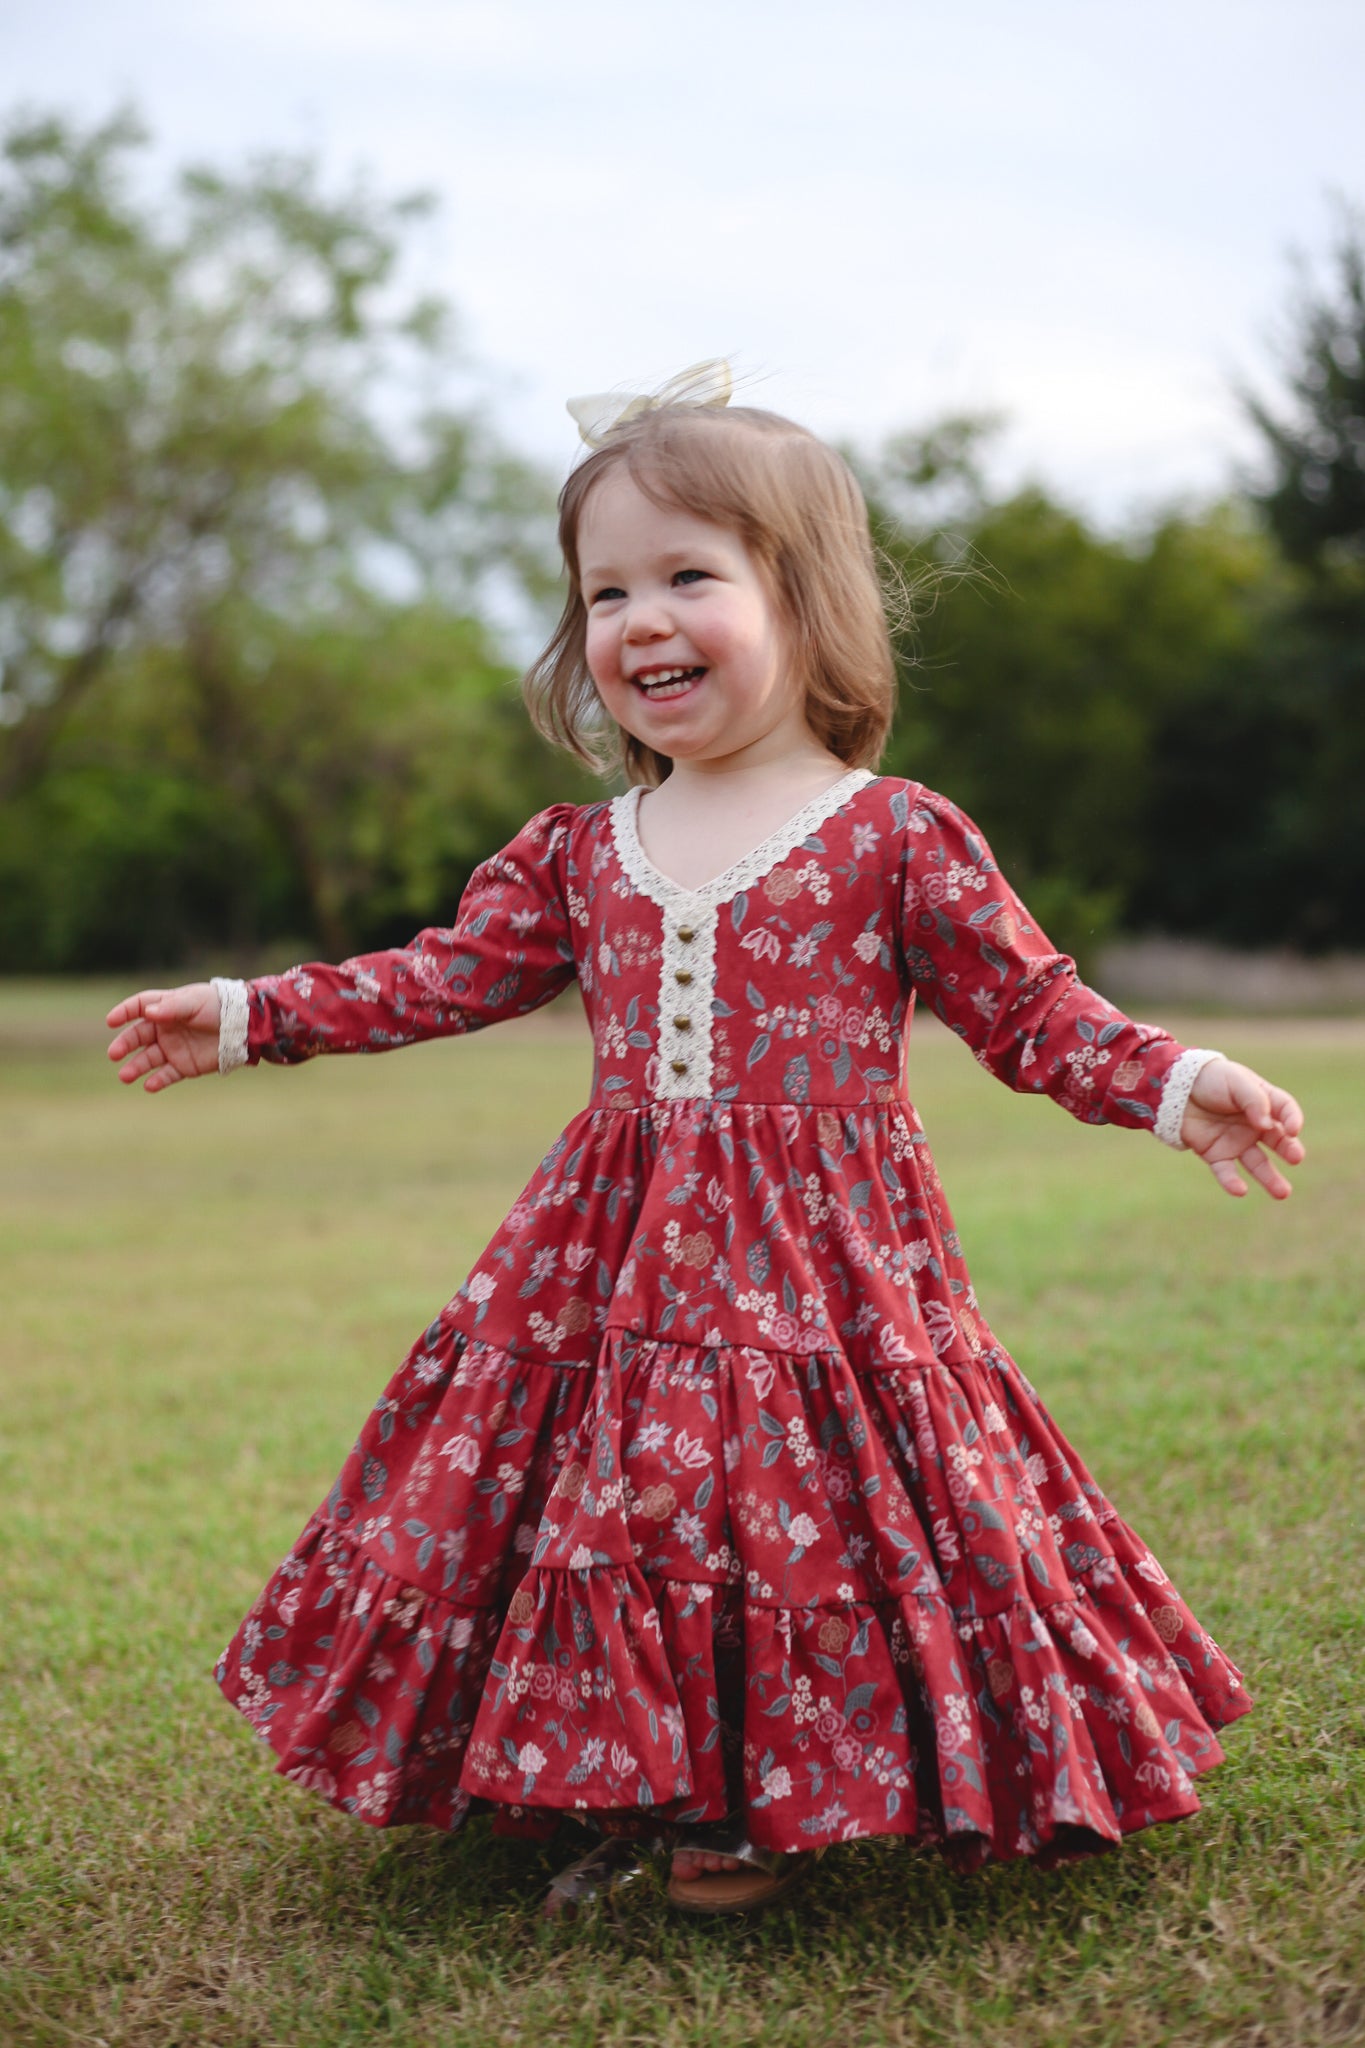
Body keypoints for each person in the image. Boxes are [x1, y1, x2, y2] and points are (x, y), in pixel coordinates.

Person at [107, 377, 1306, 1920]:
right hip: (603, 1267)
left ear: (802, 604)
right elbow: (441, 974)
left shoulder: (893, 835)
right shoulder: (578, 850)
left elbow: (1030, 1011)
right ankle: (617, 1774)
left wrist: (1171, 1079)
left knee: (774, 1512)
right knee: (611, 1511)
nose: (637, 620)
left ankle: (750, 1804)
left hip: (823, 1271)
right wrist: (254, 1012)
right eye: (605, 590)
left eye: (686, 577)